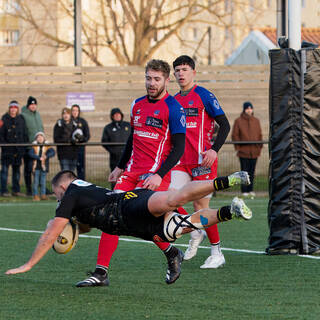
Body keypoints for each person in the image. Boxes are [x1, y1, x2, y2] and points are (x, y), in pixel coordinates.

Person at [5, 170, 252, 281]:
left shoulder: (70, 191)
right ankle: (230, 211)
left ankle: (227, 180)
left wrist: (28, 264)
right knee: (182, 226)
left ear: (62, 187)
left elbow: (51, 233)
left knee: (172, 199)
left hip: (125, 206)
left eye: (55, 195)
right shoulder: (79, 199)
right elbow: (88, 226)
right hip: (129, 225)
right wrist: (75, 229)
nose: (57, 200)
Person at [77, 59, 186, 288]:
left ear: (167, 80)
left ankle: (173, 250)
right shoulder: (136, 104)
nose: (151, 83)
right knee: (110, 216)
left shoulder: (174, 108)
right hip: (130, 172)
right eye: (148, 78)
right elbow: (132, 139)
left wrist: (159, 174)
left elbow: (179, 148)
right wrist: (119, 166)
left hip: (155, 175)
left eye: (156, 79)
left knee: (141, 221)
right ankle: (101, 273)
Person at [169, 55, 231, 269]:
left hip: (202, 161)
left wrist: (214, 149)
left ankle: (217, 253)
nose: (180, 73)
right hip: (180, 161)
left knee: (200, 206)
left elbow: (225, 125)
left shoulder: (204, 95)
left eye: (184, 69)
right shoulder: (173, 100)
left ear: (193, 72)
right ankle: (195, 231)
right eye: (177, 70)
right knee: (170, 199)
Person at [231, 101, 263, 198]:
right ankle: (244, 190)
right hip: (243, 152)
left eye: (250, 108)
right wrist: (238, 148)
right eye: (247, 108)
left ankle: (250, 189)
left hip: (254, 152)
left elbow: (259, 134)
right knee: (244, 172)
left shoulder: (256, 121)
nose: (249, 110)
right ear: (244, 110)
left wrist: (259, 147)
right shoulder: (238, 121)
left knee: (252, 172)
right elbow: (235, 135)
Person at [0, 101, 28, 197]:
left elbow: (24, 134)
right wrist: (5, 146)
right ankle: (3, 190)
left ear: (17, 109)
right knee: (4, 172)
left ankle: (16, 190)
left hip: (18, 151)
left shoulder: (21, 119)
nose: (13, 109)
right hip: (7, 151)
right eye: (11, 107)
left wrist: (23, 147)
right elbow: (1, 135)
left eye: (15, 107)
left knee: (16, 172)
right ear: (9, 108)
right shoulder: (4, 119)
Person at [101, 108, 131, 189]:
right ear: (112, 116)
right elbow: (104, 141)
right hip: (115, 158)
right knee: (115, 177)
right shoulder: (108, 128)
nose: (117, 116)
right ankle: (114, 193)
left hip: (129, 157)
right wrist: (112, 151)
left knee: (127, 176)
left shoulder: (128, 125)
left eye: (119, 114)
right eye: (115, 115)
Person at [21, 96, 44, 196]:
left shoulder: (38, 114)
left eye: (35, 104)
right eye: (31, 104)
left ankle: (39, 188)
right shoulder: (24, 115)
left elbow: (41, 128)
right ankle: (29, 189)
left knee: (39, 168)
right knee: (28, 168)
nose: (33, 106)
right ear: (28, 105)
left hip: (39, 147)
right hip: (29, 147)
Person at [29, 132, 55, 201]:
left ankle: (43, 195)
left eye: (41, 137)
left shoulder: (47, 146)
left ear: (44, 138)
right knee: (36, 182)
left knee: (43, 182)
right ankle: (35, 195)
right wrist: (38, 158)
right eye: (38, 137)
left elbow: (52, 152)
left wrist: (46, 156)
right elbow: (30, 154)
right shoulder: (34, 146)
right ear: (36, 139)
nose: (40, 138)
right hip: (36, 167)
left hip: (44, 167)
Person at [71, 104, 90, 180]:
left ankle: (82, 187)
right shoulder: (69, 121)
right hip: (71, 149)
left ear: (79, 112)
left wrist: (82, 139)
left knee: (81, 169)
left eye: (76, 110)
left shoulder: (83, 121)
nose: (75, 112)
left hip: (80, 149)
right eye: (73, 110)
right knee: (71, 169)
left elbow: (87, 135)